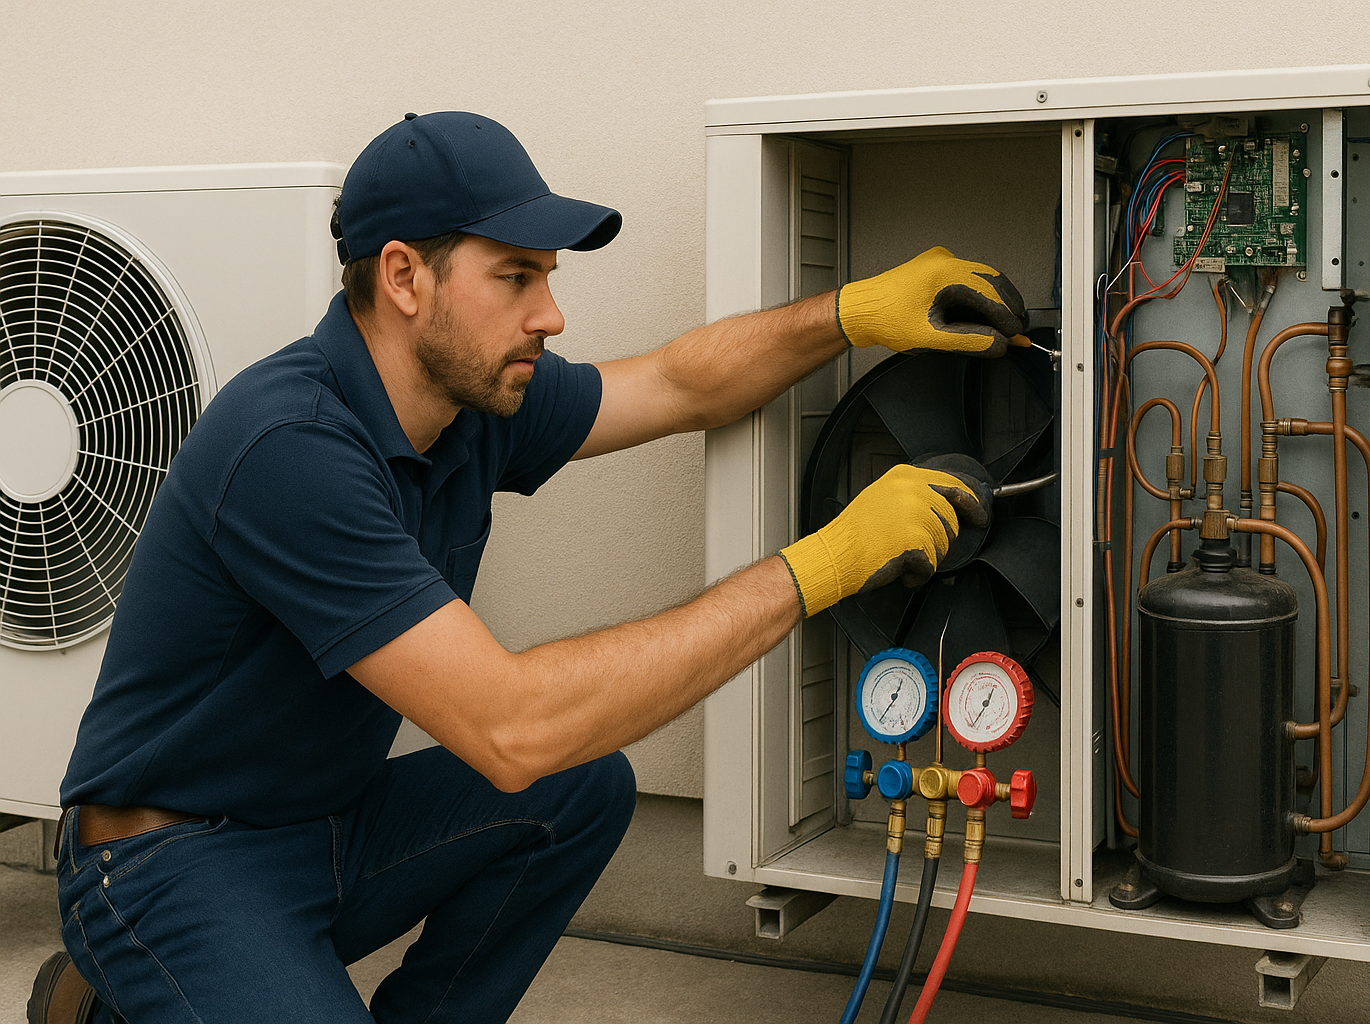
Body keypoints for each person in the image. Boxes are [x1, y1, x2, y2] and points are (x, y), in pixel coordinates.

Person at [28, 110, 1028, 1024]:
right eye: (517, 278)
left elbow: (682, 383)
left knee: (580, 789)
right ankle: (122, 971)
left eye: (548, 278)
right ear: (405, 278)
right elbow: (510, 726)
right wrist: (826, 562)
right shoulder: (289, 448)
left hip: (321, 828)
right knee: (540, 748)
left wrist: (854, 311)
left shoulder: (470, 403)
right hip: (168, 858)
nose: (550, 315)